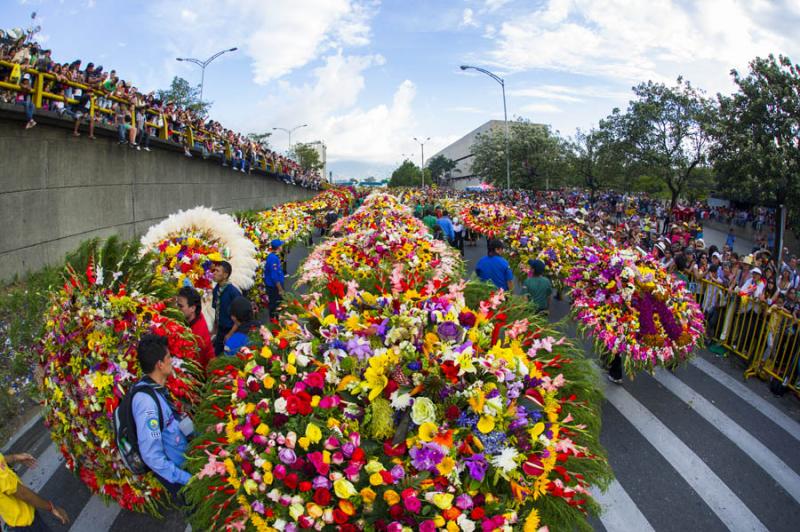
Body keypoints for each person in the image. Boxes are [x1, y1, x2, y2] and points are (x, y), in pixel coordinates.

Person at [131, 335, 194, 503]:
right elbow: (151, 456)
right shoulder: (147, 406)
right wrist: (186, 478)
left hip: (183, 462)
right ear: (159, 364)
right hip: (180, 478)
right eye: (168, 357)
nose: (172, 360)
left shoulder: (154, 387)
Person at [0, 451, 69, 530]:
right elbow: (23, 494)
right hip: (25, 524)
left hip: (22, 518)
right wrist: (52, 508)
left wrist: (15, 457)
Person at [176, 286, 214, 371]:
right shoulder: (195, 316)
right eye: (177, 305)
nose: (177, 309)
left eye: (181, 306)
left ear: (193, 308)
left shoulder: (197, 335)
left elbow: (191, 365)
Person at [211, 261, 242, 356]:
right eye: (214, 270)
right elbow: (217, 309)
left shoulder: (233, 293)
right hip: (220, 330)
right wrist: (215, 329)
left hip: (231, 331)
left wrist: (230, 334)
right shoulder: (216, 289)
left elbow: (239, 318)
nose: (214, 273)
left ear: (225, 275)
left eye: (217, 271)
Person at [263, 240, 285, 321]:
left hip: (273, 286)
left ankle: (276, 320)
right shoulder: (273, 259)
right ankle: (274, 322)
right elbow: (274, 276)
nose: (282, 247)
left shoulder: (273, 256)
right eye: (281, 246)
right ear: (278, 248)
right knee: (275, 304)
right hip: (274, 287)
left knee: (277, 304)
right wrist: (280, 289)